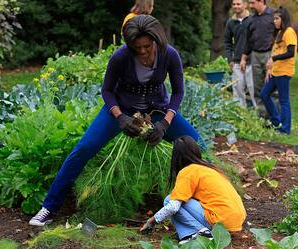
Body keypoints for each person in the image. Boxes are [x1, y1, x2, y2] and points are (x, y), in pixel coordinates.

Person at [29, 15, 205, 226]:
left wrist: (165, 123)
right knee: (84, 148)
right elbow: (107, 90)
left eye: (147, 47)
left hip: (157, 109)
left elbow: (178, 92)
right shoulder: (120, 57)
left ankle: (207, 204)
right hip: (122, 109)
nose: (142, 52)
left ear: (156, 41)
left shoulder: (170, 55)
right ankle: (48, 207)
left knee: (197, 144)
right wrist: (120, 117)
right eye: (136, 47)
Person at [140, 135, 246, 245]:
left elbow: (173, 207)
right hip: (235, 221)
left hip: (219, 220)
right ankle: (200, 232)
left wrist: (151, 221)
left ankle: (198, 234)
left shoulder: (188, 171)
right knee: (180, 200)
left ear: (177, 156)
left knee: (169, 200)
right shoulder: (209, 169)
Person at [260, 7, 297, 135]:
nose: (274, 21)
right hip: (274, 72)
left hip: (284, 72)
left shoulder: (289, 32)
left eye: (277, 18)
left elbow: (291, 52)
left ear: (283, 19)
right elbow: (274, 53)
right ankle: (276, 122)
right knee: (264, 94)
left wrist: (273, 59)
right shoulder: (279, 34)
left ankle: (285, 129)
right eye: (274, 18)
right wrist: (269, 70)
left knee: (284, 100)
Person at [240, 0, 275, 116]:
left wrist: (275, 56)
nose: (250, 6)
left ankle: (275, 118)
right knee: (257, 88)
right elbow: (248, 41)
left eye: (253, 3)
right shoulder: (252, 19)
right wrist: (243, 58)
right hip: (255, 55)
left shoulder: (273, 15)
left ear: (261, 2)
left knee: (272, 87)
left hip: (270, 54)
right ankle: (262, 116)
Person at [225, 0, 256, 108]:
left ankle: (259, 116)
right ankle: (241, 116)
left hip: (252, 61)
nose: (235, 6)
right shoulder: (230, 22)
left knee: (254, 89)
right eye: (234, 4)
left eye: (238, 4)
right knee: (238, 91)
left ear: (245, 5)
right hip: (237, 62)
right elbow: (227, 42)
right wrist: (230, 59)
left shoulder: (252, 19)